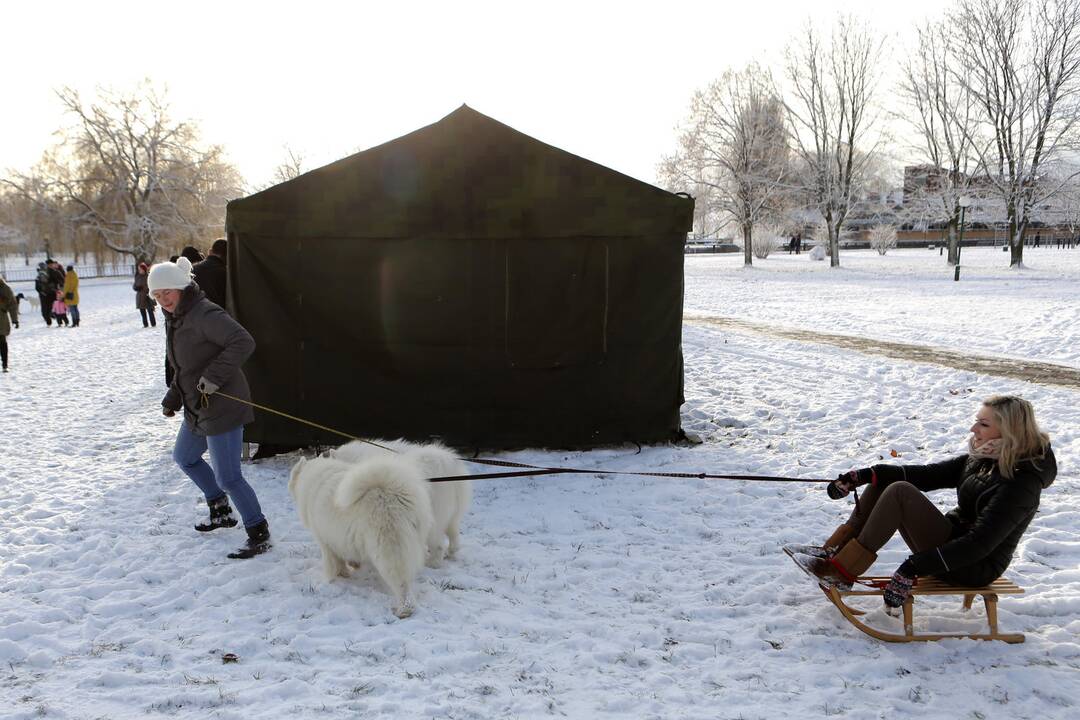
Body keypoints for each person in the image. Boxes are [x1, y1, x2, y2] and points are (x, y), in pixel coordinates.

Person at [791, 395, 1056, 615]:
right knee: (887, 480)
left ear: (1008, 431)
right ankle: (835, 552)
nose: (973, 429)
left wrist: (914, 567)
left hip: (972, 565)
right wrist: (864, 475)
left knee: (900, 492)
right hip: (953, 542)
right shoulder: (985, 456)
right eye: (977, 421)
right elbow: (929, 474)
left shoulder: (1022, 483)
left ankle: (842, 571)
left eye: (983, 424)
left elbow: (979, 544)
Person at [149, 256, 270, 559]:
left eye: (167, 292)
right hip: (196, 405)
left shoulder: (204, 313)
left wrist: (214, 377)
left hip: (223, 404)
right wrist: (172, 399)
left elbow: (243, 341)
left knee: (228, 476)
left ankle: (259, 532)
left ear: (180, 288)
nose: (163, 299)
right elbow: (184, 366)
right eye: (156, 294)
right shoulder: (176, 317)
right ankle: (220, 510)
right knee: (185, 457)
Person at [192, 238, 227, 308]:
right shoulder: (225, 273)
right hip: (219, 315)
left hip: (194, 315)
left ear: (211, 251)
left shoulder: (193, 270)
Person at [0, 276, 17, 372]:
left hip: (1, 318)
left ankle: (5, 364)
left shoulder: (5, 288)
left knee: (2, 341)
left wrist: (14, 319)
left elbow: (12, 304)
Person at [133, 263, 157, 327]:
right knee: (142, 312)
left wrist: (148, 291)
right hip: (140, 297)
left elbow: (151, 286)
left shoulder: (148, 276)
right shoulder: (137, 276)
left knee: (150, 311)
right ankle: (145, 324)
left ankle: (153, 324)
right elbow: (134, 285)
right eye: (139, 269)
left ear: (144, 269)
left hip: (147, 297)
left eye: (140, 269)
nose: (139, 270)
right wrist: (136, 288)